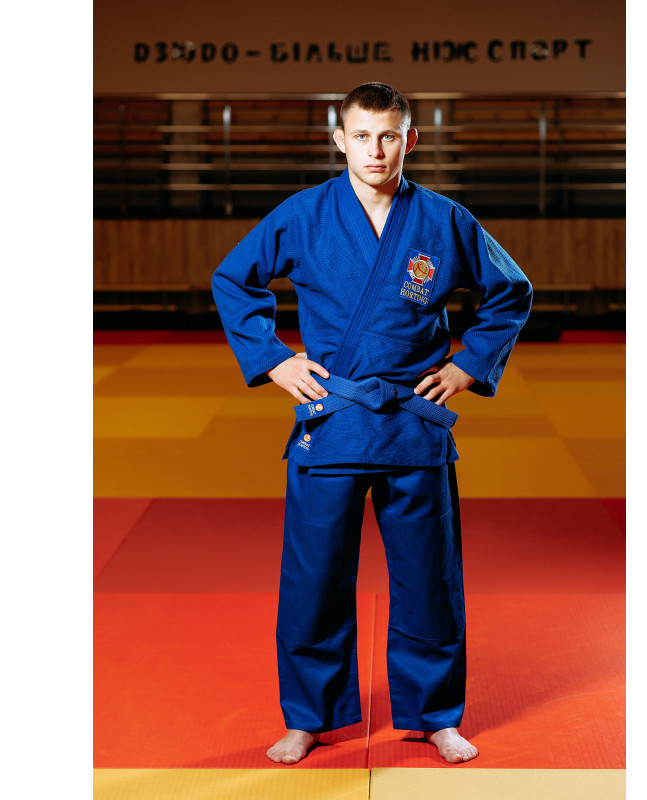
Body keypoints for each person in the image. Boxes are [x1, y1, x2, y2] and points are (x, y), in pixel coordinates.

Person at [212, 82, 532, 764]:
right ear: (341, 140)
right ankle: (309, 716)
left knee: (428, 580)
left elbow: (511, 292)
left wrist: (468, 366)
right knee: (314, 580)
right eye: (362, 135)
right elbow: (233, 279)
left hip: (414, 425)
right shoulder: (304, 214)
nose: (376, 149)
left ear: (410, 139)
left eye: (389, 135)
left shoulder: (444, 220)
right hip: (333, 421)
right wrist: (274, 360)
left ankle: (435, 715)